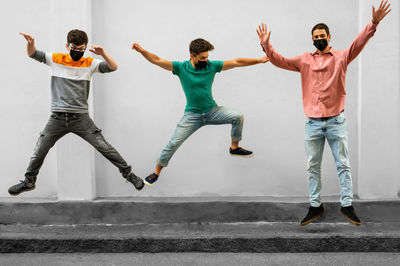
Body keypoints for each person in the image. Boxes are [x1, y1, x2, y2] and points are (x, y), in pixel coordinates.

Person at [257, 0, 391, 226]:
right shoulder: (303, 60)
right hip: (312, 124)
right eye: (315, 36)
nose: (319, 39)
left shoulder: (341, 57)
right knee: (312, 166)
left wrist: (373, 23)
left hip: (336, 121)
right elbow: (279, 61)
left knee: (343, 164)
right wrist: (266, 47)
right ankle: (315, 206)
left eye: (322, 35)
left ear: (329, 37)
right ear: (312, 40)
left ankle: (347, 205)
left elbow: (358, 44)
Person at [9, 29, 144, 195]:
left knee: (105, 147)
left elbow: (113, 67)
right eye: (74, 48)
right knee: (39, 151)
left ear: (85, 48)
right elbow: (33, 54)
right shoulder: (56, 59)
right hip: (57, 118)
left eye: (81, 49)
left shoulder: (90, 63)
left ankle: (129, 175)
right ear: (67, 46)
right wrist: (30, 44)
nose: (77, 52)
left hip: (81, 118)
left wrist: (103, 54)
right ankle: (29, 181)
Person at [132, 38, 269, 186]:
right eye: (202, 58)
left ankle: (234, 148)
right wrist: (142, 51)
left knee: (238, 116)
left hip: (212, 111)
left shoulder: (212, 66)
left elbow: (237, 62)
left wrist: (259, 60)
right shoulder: (181, 68)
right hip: (192, 115)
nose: (206, 60)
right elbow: (157, 60)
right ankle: (156, 172)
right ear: (192, 55)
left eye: (207, 57)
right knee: (173, 144)